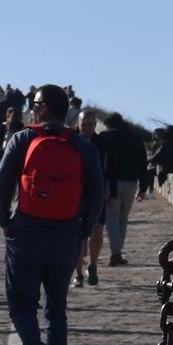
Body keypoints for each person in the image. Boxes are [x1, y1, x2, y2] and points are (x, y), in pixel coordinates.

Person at [0, 84, 104, 345]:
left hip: (26, 232)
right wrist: (82, 232)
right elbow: (96, 193)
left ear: (44, 108)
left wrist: (4, 219)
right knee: (57, 310)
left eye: (35, 103)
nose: (32, 107)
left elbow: (2, 181)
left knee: (20, 304)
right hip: (65, 236)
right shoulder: (83, 146)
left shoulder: (23, 138)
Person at [96, 112, 146, 265]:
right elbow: (143, 164)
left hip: (112, 183)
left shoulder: (104, 137)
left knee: (111, 217)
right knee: (123, 219)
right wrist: (143, 187)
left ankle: (116, 253)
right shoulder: (135, 138)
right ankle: (117, 252)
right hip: (131, 183)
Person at [72, 110, 110, 287]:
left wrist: (113, 192)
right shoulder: (72, 141)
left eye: (90, 124)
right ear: (78, 123)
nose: (86, 127)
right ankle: (79, 274)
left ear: (95, 125)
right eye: (83, 124)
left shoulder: (102, 143)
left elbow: (111, 169)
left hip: (98, 192)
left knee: (97, 233)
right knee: (78, 237)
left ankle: (93, 265)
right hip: (76, 194)